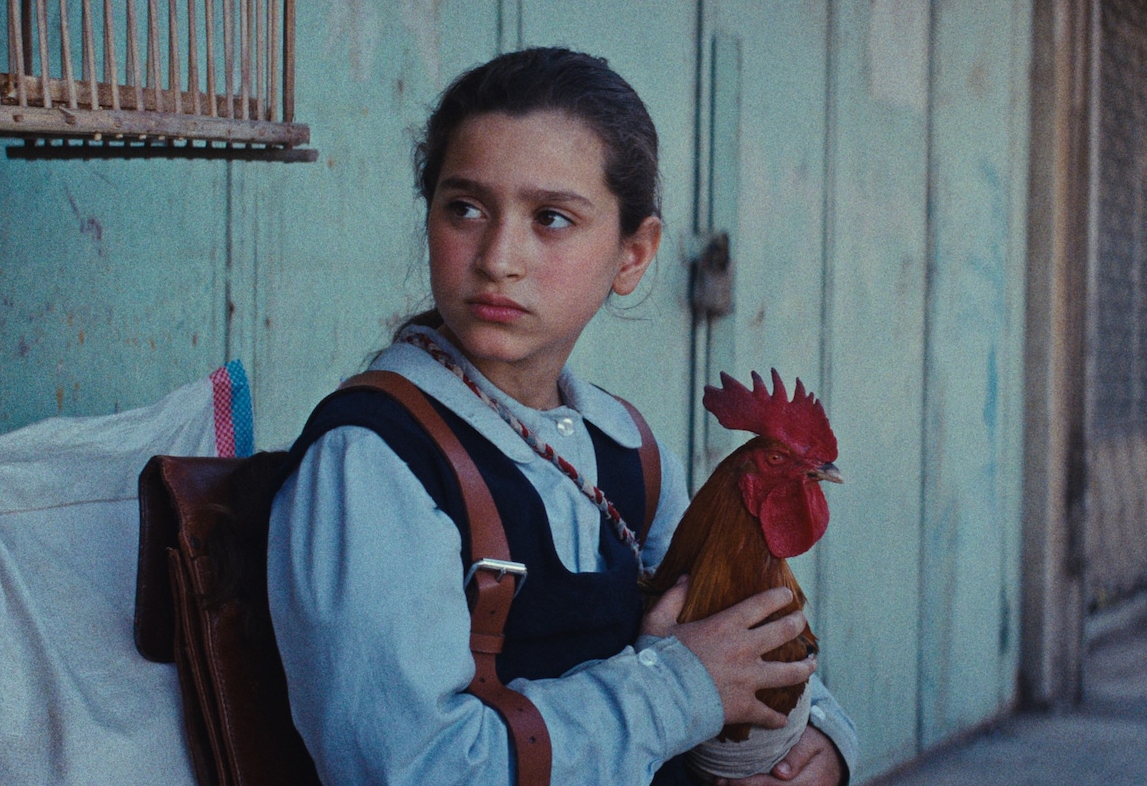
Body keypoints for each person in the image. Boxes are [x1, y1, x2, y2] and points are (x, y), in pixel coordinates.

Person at [267, 47, 857, 786]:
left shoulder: (627, 448)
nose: (498, 257)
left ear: (632, 255)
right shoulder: (372, 463)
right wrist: (677, 689)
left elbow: (733, 629)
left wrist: (819, 739)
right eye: (465, 208)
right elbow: (410, 769)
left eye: (550, 218)